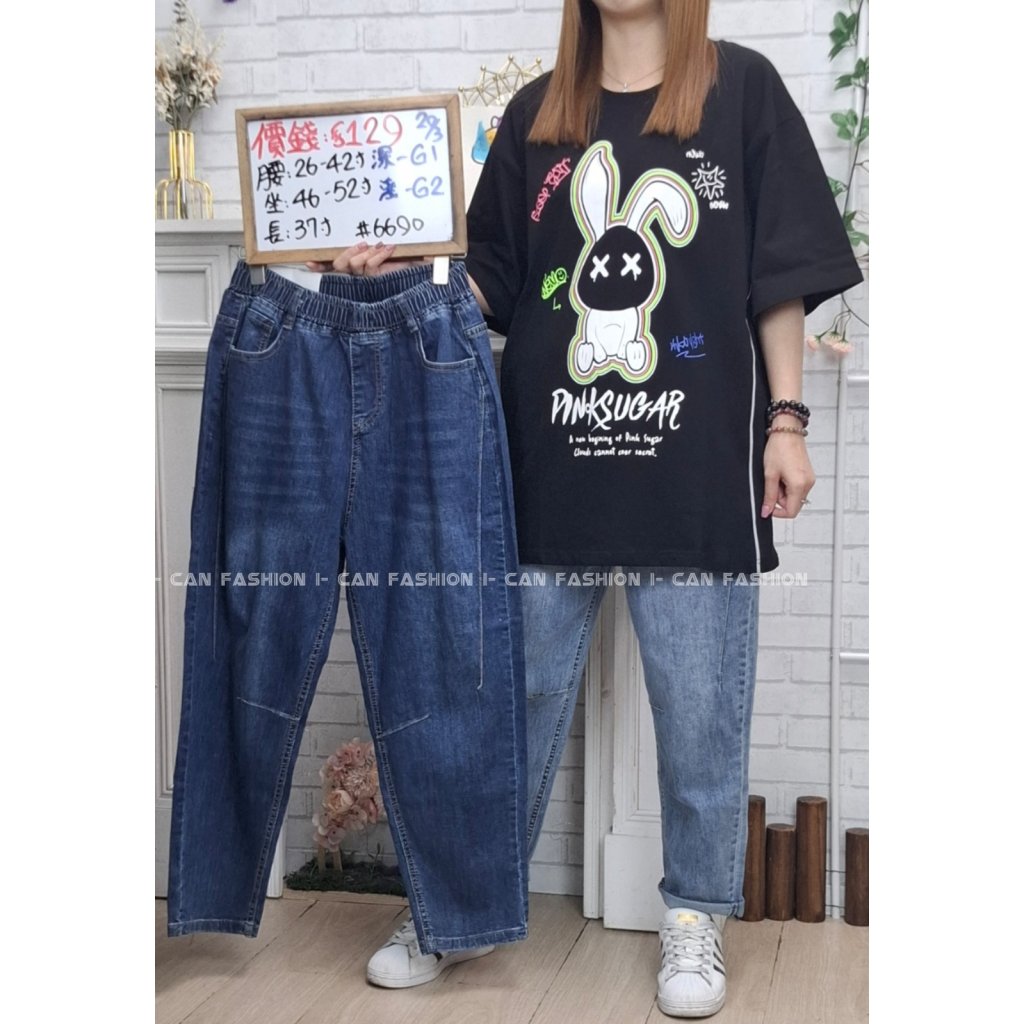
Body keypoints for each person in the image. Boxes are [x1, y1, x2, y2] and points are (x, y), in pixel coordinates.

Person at [311, 0, 862, 1016]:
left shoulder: (741, 91)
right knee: (504, 706)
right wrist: (404, 269)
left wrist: (786, 420)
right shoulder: (537, 116)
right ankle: (461, 910)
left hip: (696, 466)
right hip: (544, 465)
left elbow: (776, 277)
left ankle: (692, 914)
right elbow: (489, 284)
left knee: (699, 713)